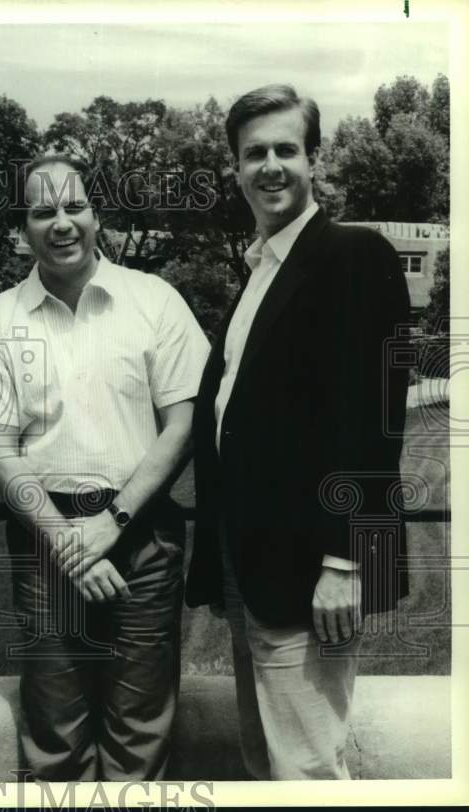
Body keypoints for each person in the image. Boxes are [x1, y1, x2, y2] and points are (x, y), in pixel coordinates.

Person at [0, 156, 210, 780]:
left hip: (143, 534)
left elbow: (183, 425)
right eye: (43, 211)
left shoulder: (154, 300)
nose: (62, 223)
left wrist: (114, 522)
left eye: (74, 207)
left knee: (139, 738)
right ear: (22, 228)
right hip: (47, 544)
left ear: (97, 215)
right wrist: (71, 544)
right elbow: (0, 447)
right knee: (55, 740)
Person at [185, 84, 411, 780]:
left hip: (313, 568)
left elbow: (374, 424)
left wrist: (346, 562)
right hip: (250, 560)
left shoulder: (353, 256)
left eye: (287, 149)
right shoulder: (259, 270)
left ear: (315, 159)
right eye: (255, 154)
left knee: (307, 770)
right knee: (266, 763)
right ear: (236, 169)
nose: (271, 166)